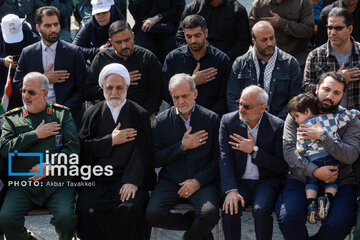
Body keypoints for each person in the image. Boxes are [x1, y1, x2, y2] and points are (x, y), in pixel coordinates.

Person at [276, 71, 360, 239]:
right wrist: (314, 171)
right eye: (326, 89)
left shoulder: (349, 120)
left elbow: (351, 155)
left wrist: (323, 136)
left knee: (339, 221)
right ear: (316, 89)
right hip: (302, 177)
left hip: (341, 180)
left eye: (336, 93)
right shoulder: (297, 113)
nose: (330, 96)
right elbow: (289, 151)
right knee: (288, 217)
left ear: (343, 95)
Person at [77, 63, 156, 240]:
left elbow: (144, 151)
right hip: (98, 179)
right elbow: (83, 148)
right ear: (102, 88)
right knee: (86, 207)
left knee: (130, 210)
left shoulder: (139, 113)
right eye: (109, 87)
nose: (114, 92)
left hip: (127, 179)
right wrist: (110, 141)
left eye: (119, 88)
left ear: (127, 87)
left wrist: (132, 181)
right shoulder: (92, 114)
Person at [0, 72, 79, 240]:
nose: (25, 96)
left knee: (66, 219)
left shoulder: (61, 115)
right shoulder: (12, 118)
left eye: (31, 92)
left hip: (57, 183)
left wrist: (50, 166)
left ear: (45, 93)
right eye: (23, 91)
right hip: (23, 183)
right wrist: (35, 134)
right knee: (6, 219)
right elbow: (5, 149)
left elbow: (72, 149)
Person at [146, 73, 220, 240]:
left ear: (195, 94)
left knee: (210, 214)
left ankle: (190, 236)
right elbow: (154, 159)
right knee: (153, 214)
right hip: (170, 180)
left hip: (202, 181)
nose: (180, 102)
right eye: (175, 97)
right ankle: (198, 226)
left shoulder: (212, 119)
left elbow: (219, 159)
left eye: (185, 96)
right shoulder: (161, 120)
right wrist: (182, 147)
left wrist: (198, 181)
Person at [219, 85, 287, 240]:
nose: (241, 109)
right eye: (240, 103)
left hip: (265, 181)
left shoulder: (277, 126)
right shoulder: (228, 121)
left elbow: (281, 165)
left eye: (247, 106)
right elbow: (225, 157)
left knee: (261, 210)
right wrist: (231, 190)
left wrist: (254, 151)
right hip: (239, 181)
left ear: (262, 108)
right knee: (230, 208)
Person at [288, 91, 358, 224]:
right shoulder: (328, 118)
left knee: (310, 183)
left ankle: (312, 204)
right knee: (332, 181)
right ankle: (327, 198)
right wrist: (354, 112)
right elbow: (343, 118)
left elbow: (300, 149)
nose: (295, 120)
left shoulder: (302, 128)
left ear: (307, 111)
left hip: (313, 161)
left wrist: (305, 153)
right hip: (330, 157)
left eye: (296, 116)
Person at [13, 6, 87, 128]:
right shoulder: (27, 53)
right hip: (34, 117)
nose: (53, 29)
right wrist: (42, 79)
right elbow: (17, 87)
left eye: (56, 24)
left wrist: (60, 113)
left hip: (67, 116)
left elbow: (83, 88)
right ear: (38, 28)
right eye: (48, 26)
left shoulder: (73, 52)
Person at [226, 21, 302, 120]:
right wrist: (246, 121)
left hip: (279, 124)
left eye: (272, 38)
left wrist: (275, 123)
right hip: (247, 122)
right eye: (264, 40)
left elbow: (294, 100)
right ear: (254, 41)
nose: (269, 43)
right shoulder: (240, 63)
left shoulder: (290, 63)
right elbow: (232, 99)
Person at [85, 20, 162, 117]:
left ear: (133, 36)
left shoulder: (147, 58)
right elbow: (88, 91)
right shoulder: (102, 58)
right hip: (108, 115)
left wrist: (142, 115)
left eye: (127, 40)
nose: (124, 46)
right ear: (111, 42)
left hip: (141, 115)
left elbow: (156, 94)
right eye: (118, 42)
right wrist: (115, 84)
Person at [163, 14, 231, 116]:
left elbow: (225, 97)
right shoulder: (173, 59)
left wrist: (208, 118)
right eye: (188, 36)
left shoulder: (221, 60)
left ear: (206, 33)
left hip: (212, 117)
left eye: (197, 35)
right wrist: (192, 81)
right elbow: (166, 92)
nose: (193, 40)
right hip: (181, 116)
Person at [303, 7, 360, 110]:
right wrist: (335, 79)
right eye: (329, 27)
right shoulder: (315, 56)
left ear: (350, 29)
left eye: (338, 28)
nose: (333, 32)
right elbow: (307, 90)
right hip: (326, 118)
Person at [176, 0, 251, 62]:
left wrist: (223, 58)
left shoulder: (237, 10)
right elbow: (181, 36)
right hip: (196, 59)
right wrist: (194, 56)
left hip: (227, 61)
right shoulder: (192, 9)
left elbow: (243, 42)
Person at [249, 0, 314, 69]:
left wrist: (281, 23)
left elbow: (308, 30)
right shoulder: (258, 5)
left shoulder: (302, 2)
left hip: (298, 59)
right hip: (267, 61)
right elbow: (253, 36)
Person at [0, 14, 40, 100]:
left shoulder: (31, 36)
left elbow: (40, 51)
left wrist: (24, 60)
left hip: (25, 79)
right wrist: (3, 61)